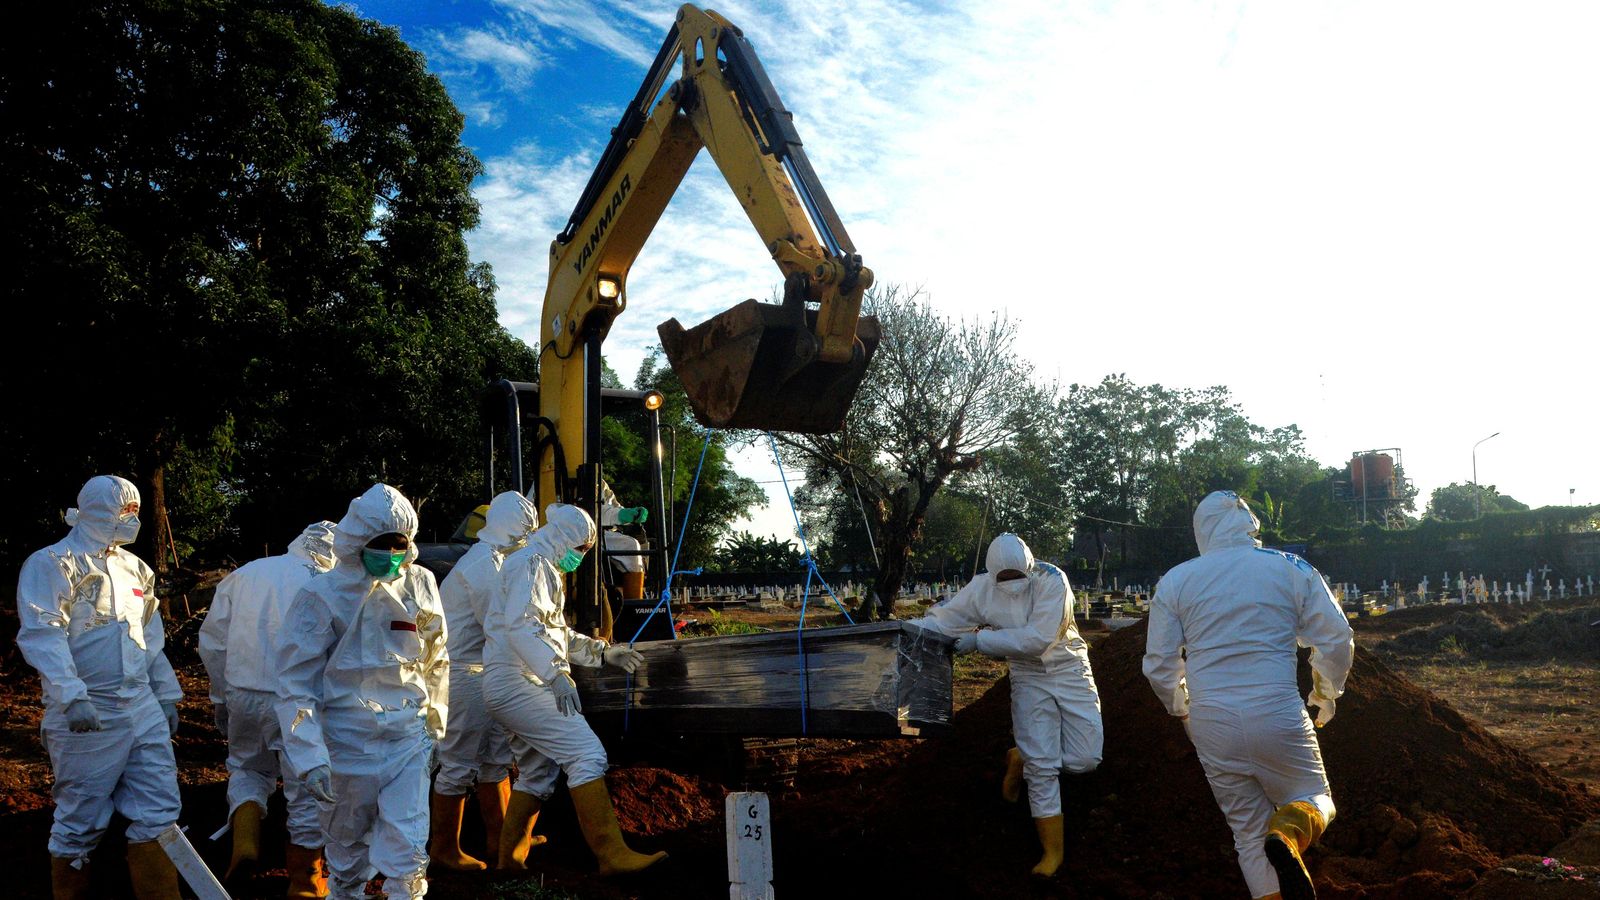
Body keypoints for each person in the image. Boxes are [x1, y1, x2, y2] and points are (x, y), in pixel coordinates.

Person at [1143, 491, 1354, 900]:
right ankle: (1291, 829)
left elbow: (1159, 665)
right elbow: (1336, 638)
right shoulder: (1291, 568)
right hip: (1277, 712)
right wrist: (1325, 692)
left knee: (1247, 833)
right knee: (1317, 799)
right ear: (1250, 523)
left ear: (1201, 530)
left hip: (1211, 722)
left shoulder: (1176, 580)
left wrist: (1183, 710)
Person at [275, 484, 449, 900]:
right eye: (381, 544)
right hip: (345, 743)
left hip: (408, 738)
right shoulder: (321, 595)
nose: (391, 553)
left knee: (408, 853)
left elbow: (436, 655)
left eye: (399, 544)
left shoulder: (419, 583)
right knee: (347, 852)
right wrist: (309, 755)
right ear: (357, 543)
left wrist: (436, 720)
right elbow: (295, 682)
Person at [15, 475, 184, 899]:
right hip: (90, 712)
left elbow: (149, 638)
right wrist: (71, 696)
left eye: (135, 511)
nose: (132, 519)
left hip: (140, 706)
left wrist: (165, 696)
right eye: (123, 511)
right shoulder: (54, 563)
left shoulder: (133, 568)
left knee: (159, 809)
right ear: (96, 511)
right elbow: (43, 633)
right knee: (81, 819)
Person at [482, 502, 665, 876]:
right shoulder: (531, 565)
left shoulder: (540, 567)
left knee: (537, 770)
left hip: (512, 681)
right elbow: (522, 627)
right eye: (581, 550)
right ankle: (611, 855)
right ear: (564, 540)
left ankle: (509, 860)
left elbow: (554, 632)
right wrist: (555, 675)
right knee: (586, 754)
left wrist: (602, 653)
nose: (580, 558)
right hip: (519, 681)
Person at [909, 532, 1103, 878]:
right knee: (1042, 766)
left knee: (1085, 759)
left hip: (1068, 667)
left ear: (1030, 567)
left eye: (1018, 576)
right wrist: (902, 630)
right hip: (1027, 675)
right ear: (992, 574)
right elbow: (943, 619)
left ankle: (1020, 756)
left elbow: (1039, 638)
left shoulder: (1052, 580)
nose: (1012, 583)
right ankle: (1052, 853)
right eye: (1005, 578)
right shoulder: (981, 588)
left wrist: (979, 640)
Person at [199, 520, 338, 893]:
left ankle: (245, 844)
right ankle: (306, 882)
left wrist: (221, 695)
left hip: (244, 690)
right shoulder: (329, 585)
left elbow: (213, 641)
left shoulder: (247, 573)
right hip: (298, 700)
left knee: (247, 768)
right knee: (305, 786)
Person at [430, 491, 536, 870]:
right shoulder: (483, 568)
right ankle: (444, 849)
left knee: (494, 761)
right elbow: (506, 625)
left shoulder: (495, 562)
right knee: (457, 764)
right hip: (465, 674)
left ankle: (501, 841)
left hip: (483, 670)